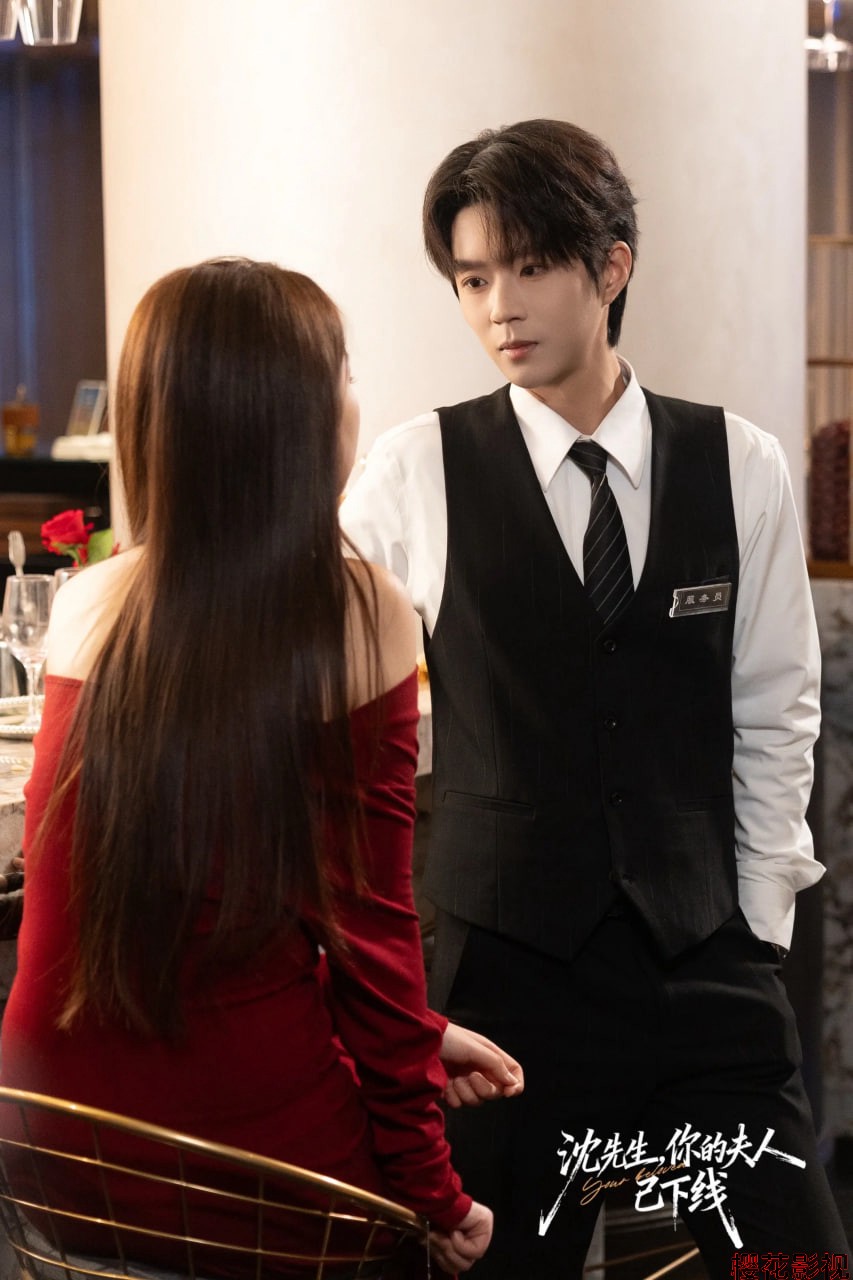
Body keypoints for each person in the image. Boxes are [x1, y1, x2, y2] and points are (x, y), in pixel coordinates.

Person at [340, 120, 851, 1276]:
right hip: (500, 985)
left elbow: (777, 708)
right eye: (473, 278)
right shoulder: (412, 472)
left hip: (702, 965)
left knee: (797, 1259)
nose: (498, 307)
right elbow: (321, 688)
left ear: (610, 267)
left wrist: (756, 919)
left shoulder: (740, 464)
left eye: (528, 267)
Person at [0, 258, 519, 1277]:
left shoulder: (88, 601)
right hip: (241, 1175)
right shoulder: (356, 611)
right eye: (344, 372)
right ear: (294, 420)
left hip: (47, 1150)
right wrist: (434, 1195)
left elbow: (200, 915)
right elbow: (373, 948)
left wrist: (422, 1034)